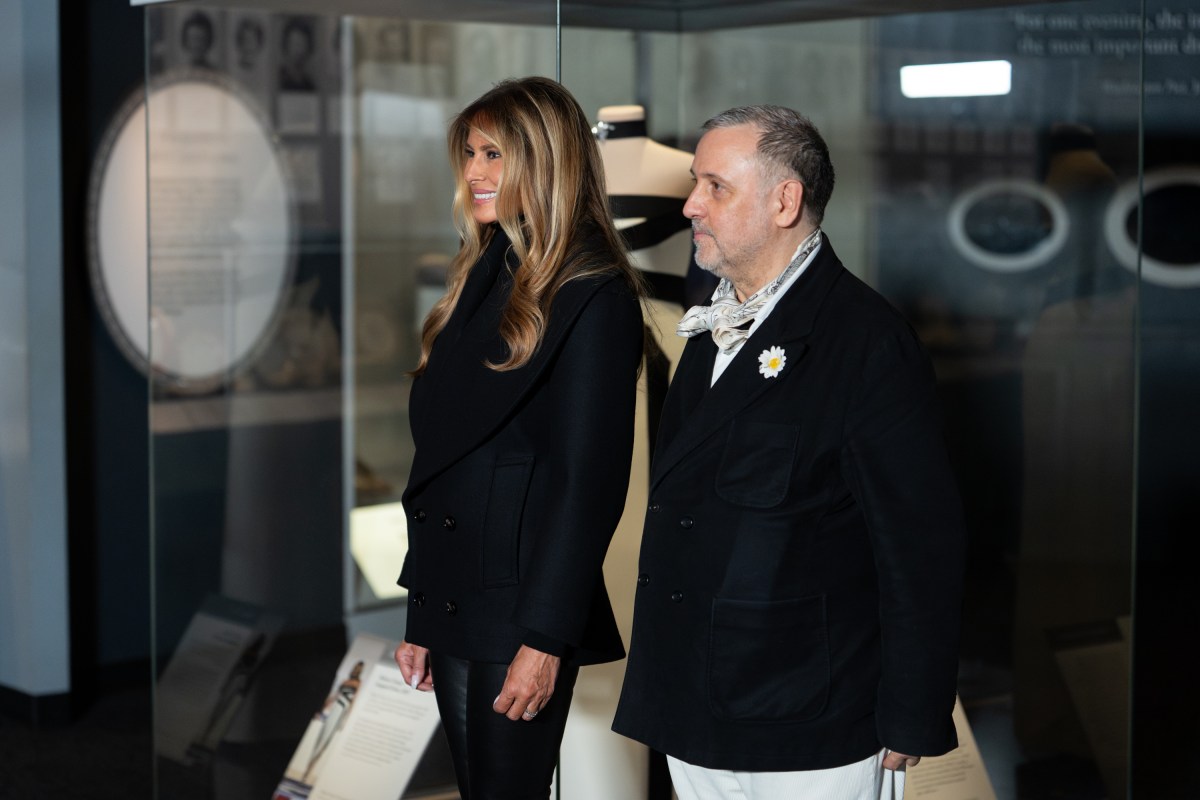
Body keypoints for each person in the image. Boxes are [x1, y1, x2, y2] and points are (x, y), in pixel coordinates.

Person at [612, 105, 966, 799]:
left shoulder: (866, 342)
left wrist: (913, 712)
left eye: (716, 186)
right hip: (697, 710)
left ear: (784, 200)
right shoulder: (710, 327)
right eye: (695, 182)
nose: (690, 205)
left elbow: (920, 546)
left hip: (811, 724)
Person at [393, 76, 645, 800]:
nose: (474, 172)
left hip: (519, 608)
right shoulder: (483, 269)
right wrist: (422, 613)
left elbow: (588, 485)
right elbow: (439, 461)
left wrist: (544, 638)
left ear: (545, 159)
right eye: (470, 153)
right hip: (456, 594)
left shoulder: (594, 292)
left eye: (494, 154)